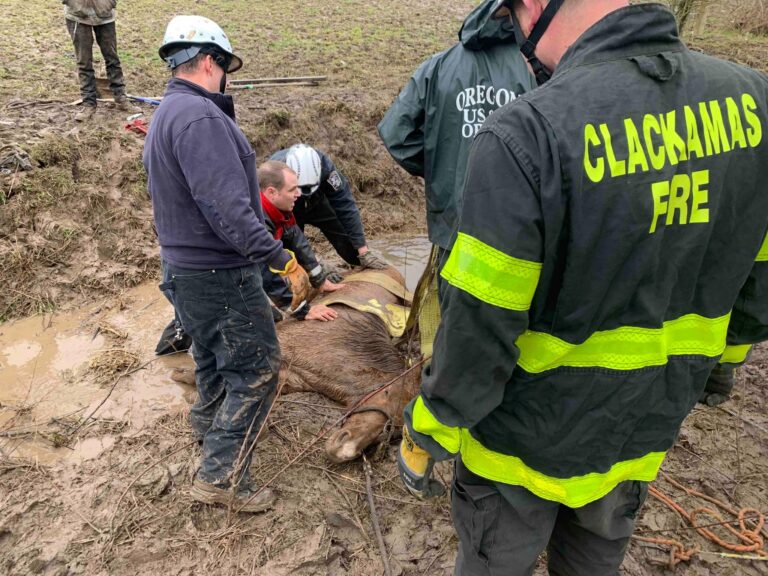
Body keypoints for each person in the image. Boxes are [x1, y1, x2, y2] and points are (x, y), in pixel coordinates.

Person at [396, 0, 768, 574]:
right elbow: (757, 278)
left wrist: (432, 425)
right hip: (640, 429)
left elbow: (481, 323)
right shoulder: (755, 104)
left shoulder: (528, 133)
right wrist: (722, 365)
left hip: (519, 446)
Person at [144, 15, 310, 513]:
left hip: (185, 269)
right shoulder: (202, 119)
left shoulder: (169, 113)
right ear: (212, 62)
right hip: (217, 272)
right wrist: (278, 258)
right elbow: (228, 208)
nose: (227, 77)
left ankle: (208, 426)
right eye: (226, 67)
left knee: (215, 358)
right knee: (258, 366)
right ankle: (223, 475)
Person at [378, 0, 534, 276]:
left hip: (454, 224)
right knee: (517, 308)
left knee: (455, 309)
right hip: (520, 223)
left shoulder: (437, 67)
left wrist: (442, 168)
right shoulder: (536, 65)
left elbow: (396, 134)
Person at [269, 144, 388, 273]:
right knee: (292, 258)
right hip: (287, 208)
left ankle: (358, 257)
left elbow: (345, 205)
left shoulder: (326, 168)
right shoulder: (274, 175)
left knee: (351, 248)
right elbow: (287, 232)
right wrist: (314, 263)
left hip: (318, 201)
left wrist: (362, 249)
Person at [258, 159, 345, 322]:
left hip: (245, 269)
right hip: (218, 276)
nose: (299, 194)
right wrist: (302, 311)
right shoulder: (255, 220)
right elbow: (264, 269)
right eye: (292, 190)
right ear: (271, 192)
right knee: (266, 320)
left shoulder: (279, 209)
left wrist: (320, 280)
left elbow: (297, 240)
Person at [62, 0, 136, 121]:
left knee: (112, 58)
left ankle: (121, 98)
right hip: (77, 15)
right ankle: (89, 104)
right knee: (84, 61)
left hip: (105, 13)